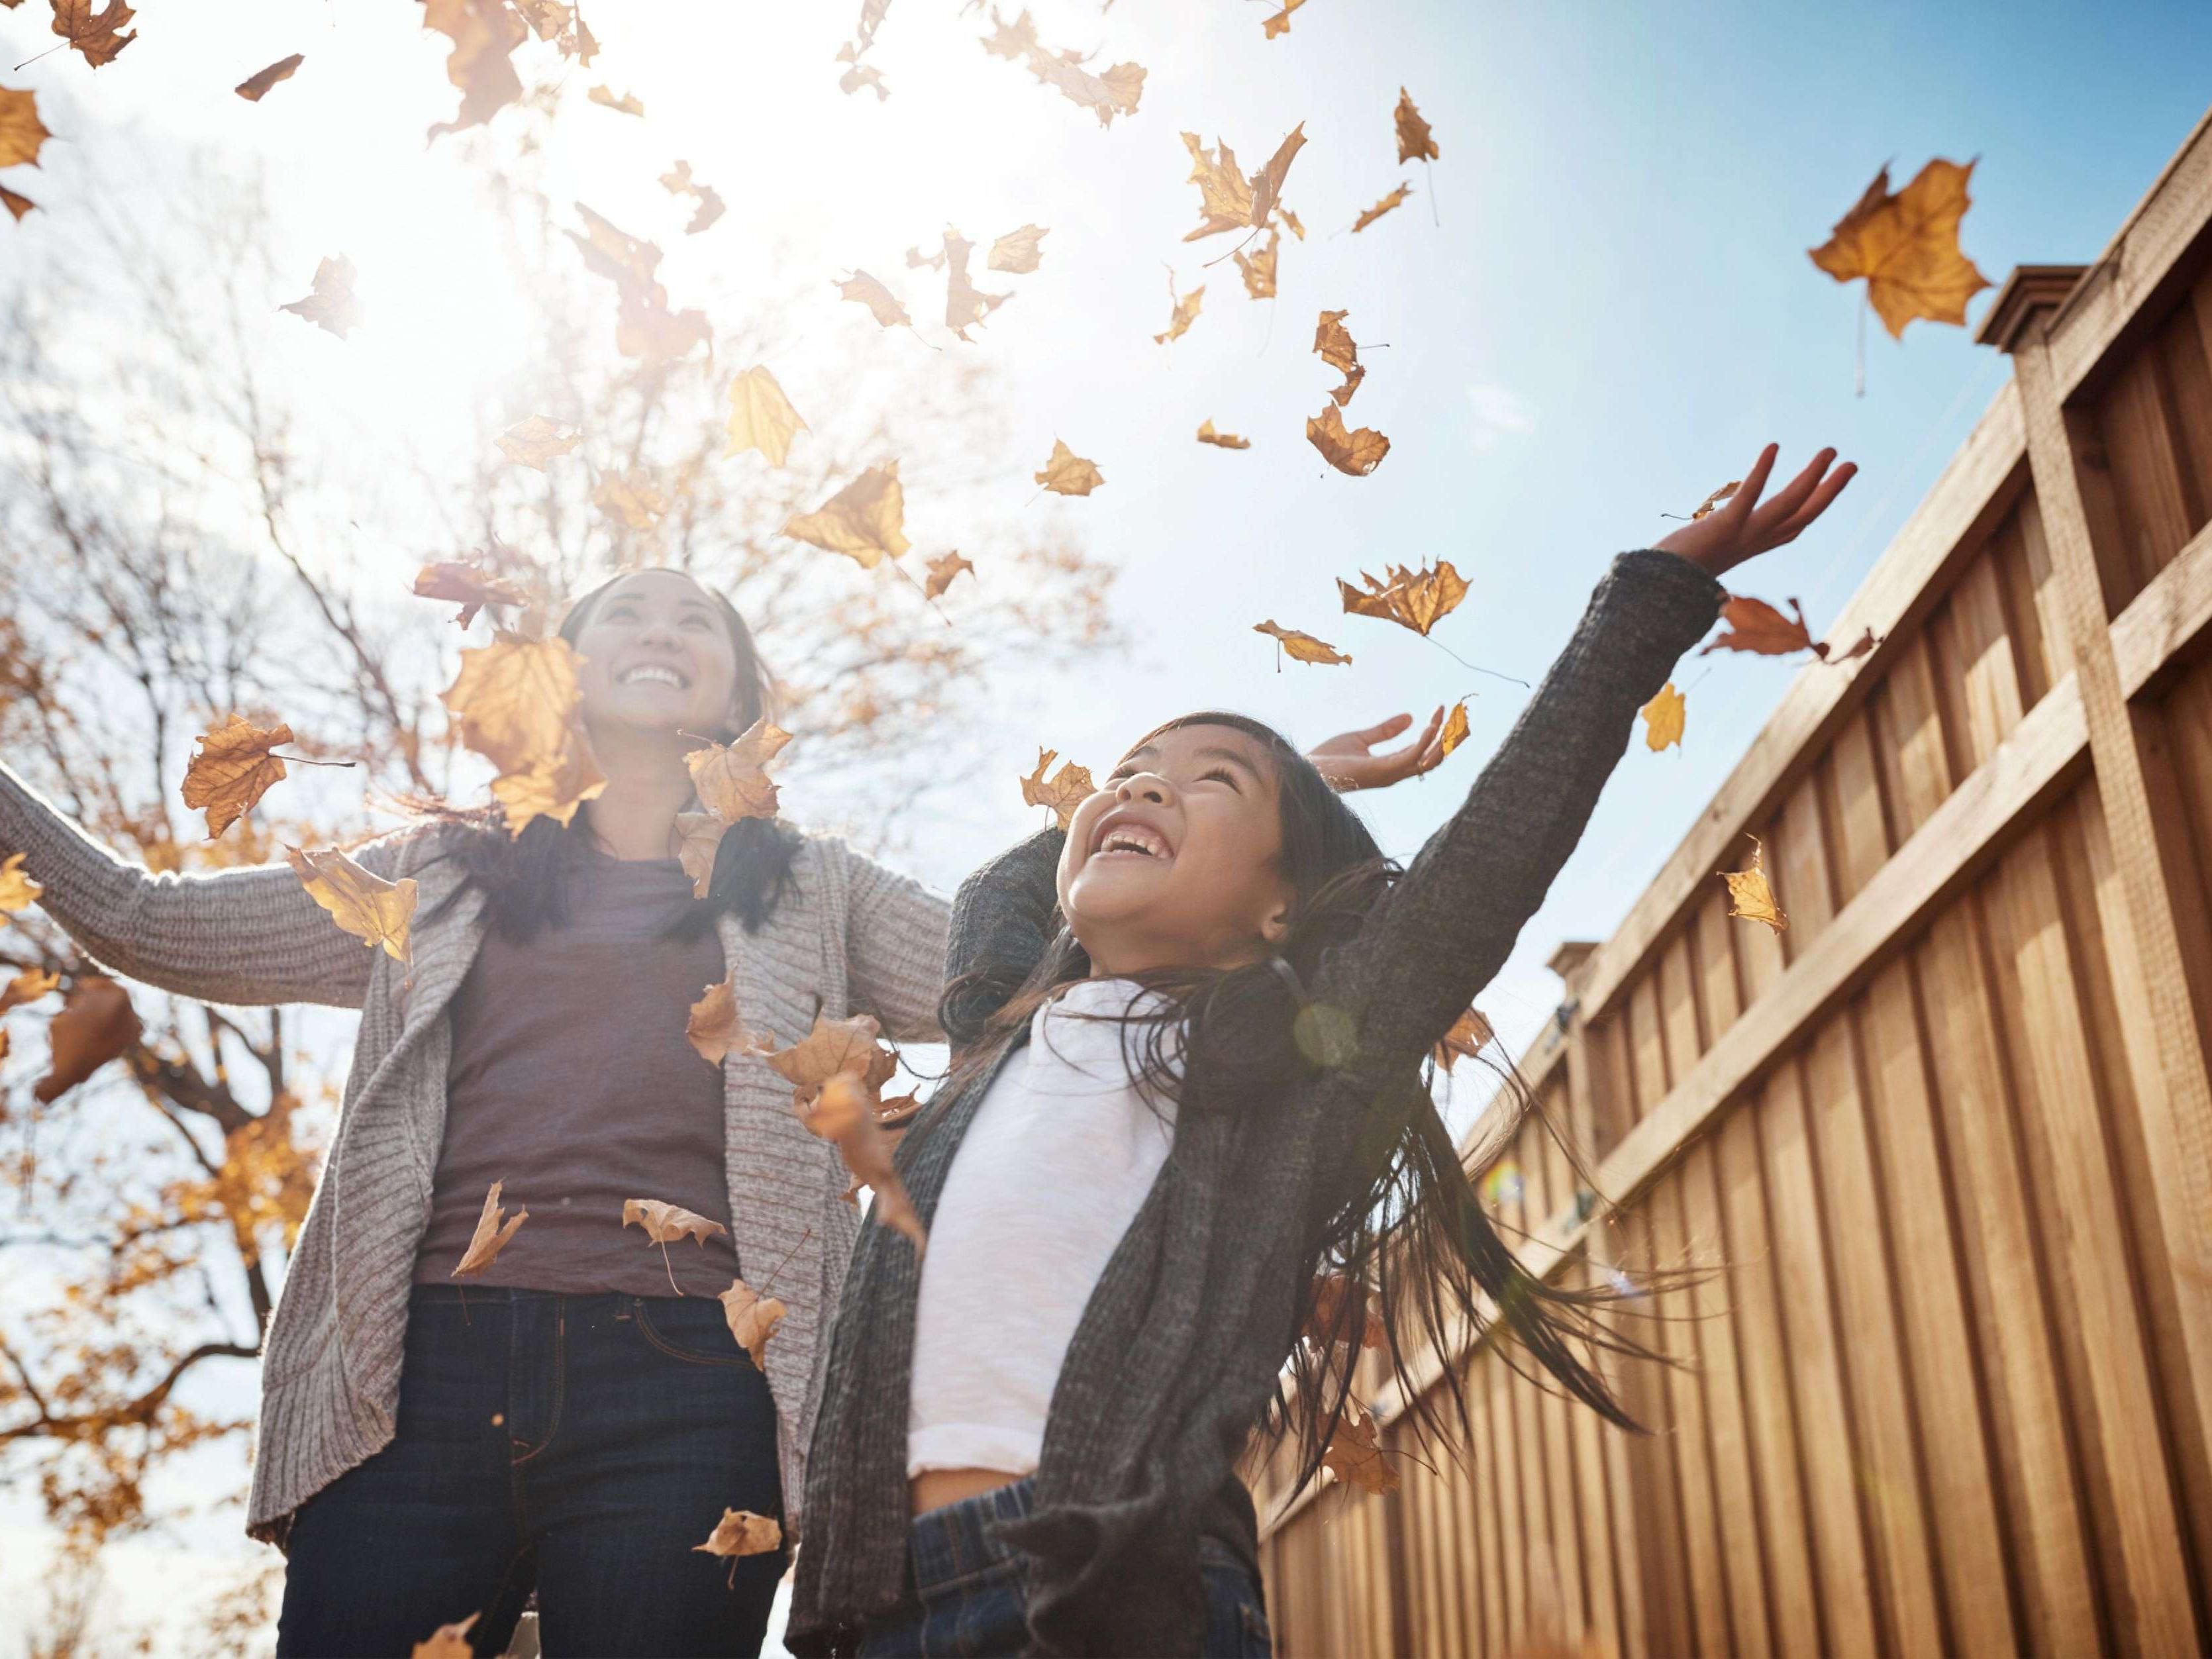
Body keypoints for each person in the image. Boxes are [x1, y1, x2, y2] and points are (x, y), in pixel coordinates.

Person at [0, 566, 1444, 1658]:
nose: (657, 632)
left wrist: (1262, 807)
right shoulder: (433, 872)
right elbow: (147, 919)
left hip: (690, 1386)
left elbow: (1052, 965)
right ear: (561, 675)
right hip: (412, 1380)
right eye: (622, 612)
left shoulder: (809, 888)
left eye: (696, 623)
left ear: (737, 696)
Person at [791, 444, 1856, 1657]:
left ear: (1281, 911)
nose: (1143, 785)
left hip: (1113, 1581)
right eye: (1132, 771)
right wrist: (1272, 785)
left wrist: (1649, 598)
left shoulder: (1273, 1065)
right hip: (869, 1604)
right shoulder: (998, 1026)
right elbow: (1002, 883)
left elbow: (1489, 858)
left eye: (1209, 782)